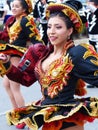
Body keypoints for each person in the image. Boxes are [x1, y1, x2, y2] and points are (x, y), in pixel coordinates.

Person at [0, 0, 98, 130]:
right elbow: (25, 78)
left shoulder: (75, 54)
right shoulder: (40, 53)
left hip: (68, 119)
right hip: (46, 114)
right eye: (49, 26)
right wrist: (6, 63)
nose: (51, 31)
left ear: (69, 31)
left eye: (58, 27)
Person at [0, 0, 43, 113]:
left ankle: (23, 115)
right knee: (6, 85)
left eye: (17, 6)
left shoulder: (25, 20)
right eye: (12, 6)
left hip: (17, 56)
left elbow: (36, 39)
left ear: (24, 9)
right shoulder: (12, 20)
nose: (13, 8)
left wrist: (42, 53)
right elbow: (5, 35)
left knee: (15, 87)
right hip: (9, 55)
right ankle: (16, 111)